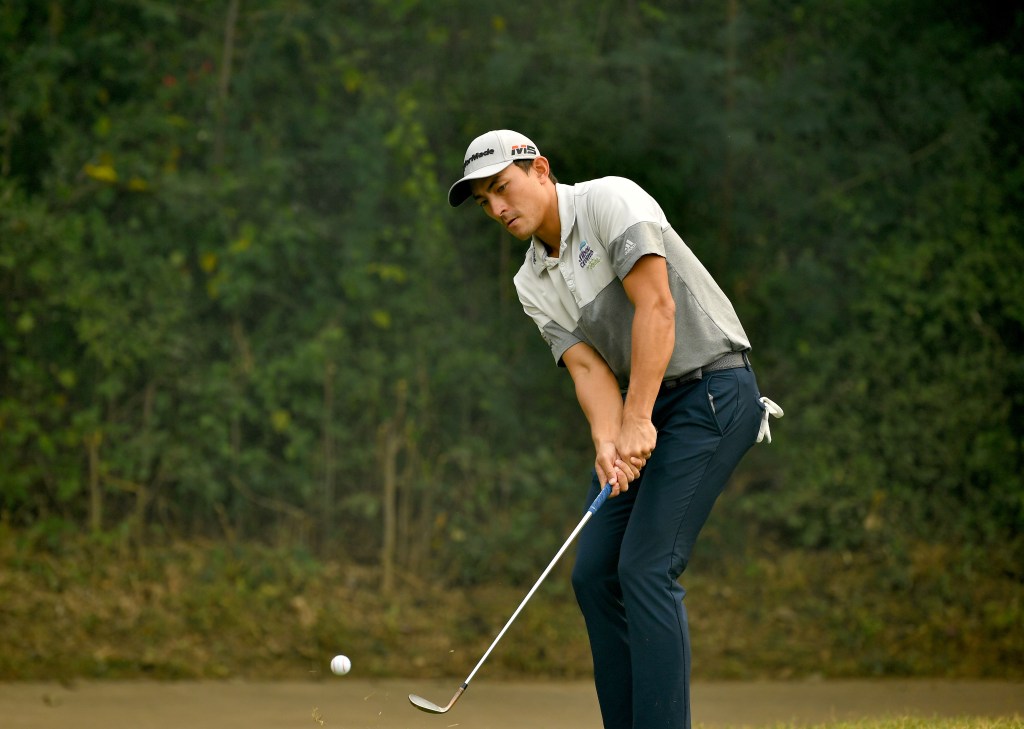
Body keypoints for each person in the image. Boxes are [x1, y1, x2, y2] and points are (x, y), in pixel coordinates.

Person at [447, 129, 782, 729]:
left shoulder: (610, 200)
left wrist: (637, 419)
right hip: (649, 407)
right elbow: (588, 368)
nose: (497, 208)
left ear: (540, 169)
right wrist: (608, 440)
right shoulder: (530, 281)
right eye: (484, 201)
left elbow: (658, 307)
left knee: (646, 568)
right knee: (595, 573)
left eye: (502, 187)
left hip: (713, 392)